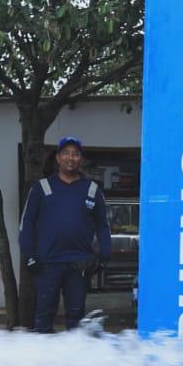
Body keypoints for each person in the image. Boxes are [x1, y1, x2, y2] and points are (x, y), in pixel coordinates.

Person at [19, 136, 111, 333]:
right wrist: (29, 255)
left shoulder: (92, 189)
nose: (71, 158)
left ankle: (75, 362)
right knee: (43, 318)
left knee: (77, 322)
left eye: (76, 154)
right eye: (66, 153)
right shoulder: (41, 188)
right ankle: (42, 362)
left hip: (79, 266)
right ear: (58, 158)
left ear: (81, 159)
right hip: (47, 264)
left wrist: (103, 256)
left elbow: (103, 226)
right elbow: (26, 224)